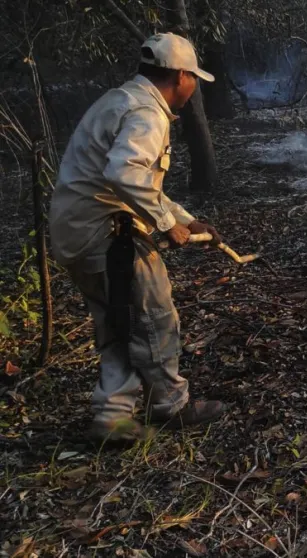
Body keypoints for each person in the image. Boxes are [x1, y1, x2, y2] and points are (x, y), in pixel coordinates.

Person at [49, 32, 225, 444]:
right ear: (180, 75)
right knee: (154, 315)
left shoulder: (120, 100)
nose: (194, 86)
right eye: (193, 77)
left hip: (78, 232)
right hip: (108, 235)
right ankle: (172, 406)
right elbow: (124, 174)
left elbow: (136, 179)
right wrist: (166, 224)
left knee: (118, 320)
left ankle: (113, 416)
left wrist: (187, 219)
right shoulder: (148, 112)